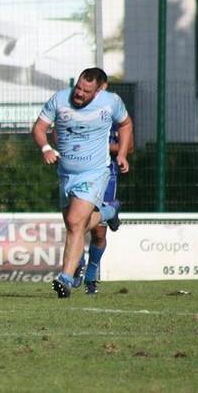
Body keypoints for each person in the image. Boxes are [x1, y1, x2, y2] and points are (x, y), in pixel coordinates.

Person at [31, 67, 132, 298]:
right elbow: (39, 128)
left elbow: (126, 125)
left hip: (95, 173)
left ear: (98, 91)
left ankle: (65, 279)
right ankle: (109, 211)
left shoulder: (111, 103)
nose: (79, 93)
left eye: (86, 91)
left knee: (76, 223)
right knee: (73, 224)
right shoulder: (59, 99)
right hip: (66, 173)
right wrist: (46, 147)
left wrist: (122, 154)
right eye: (78, 87)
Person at [72, 120, 132, 295]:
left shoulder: (116, 113)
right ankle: (78, 262)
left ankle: (90, 276)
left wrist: (97, 148)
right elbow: (57, 134)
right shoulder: (74, 110)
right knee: (76, 223)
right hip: (78, 172)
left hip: (106, 175)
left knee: (98, 232)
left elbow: (128, 147)